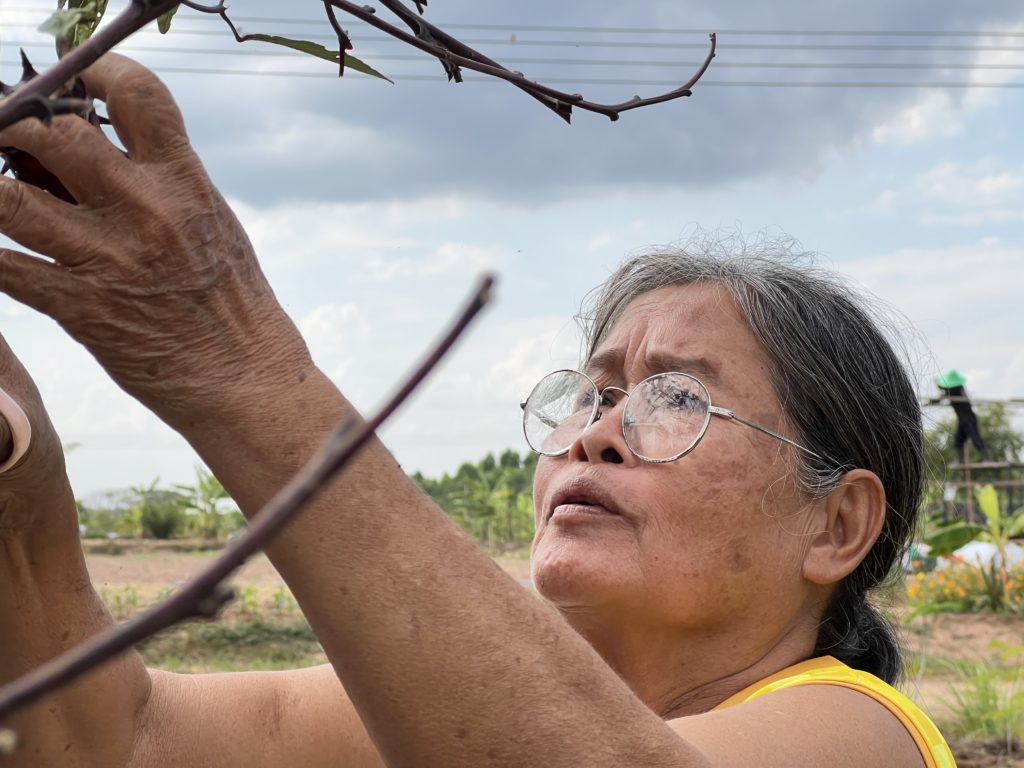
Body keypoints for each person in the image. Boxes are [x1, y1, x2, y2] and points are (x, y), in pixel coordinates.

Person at [0, 55, 954, 767]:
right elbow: (114, 738)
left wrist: (236, 363)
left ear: (837, 525)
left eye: (676, 399)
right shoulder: (442, 708)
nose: (593, 433)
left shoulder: (862, 734)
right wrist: (18, 465)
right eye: (596, 393)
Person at [932, 369, 992, 463]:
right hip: (962, 420)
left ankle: (988, 459)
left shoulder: (957, 389)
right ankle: (960, 461)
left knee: (976, 439)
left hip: (969, 419)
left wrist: (938, 385)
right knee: (958, 439)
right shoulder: (951, 390)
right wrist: (937, 390)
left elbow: (942, 395)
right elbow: (942, 395)